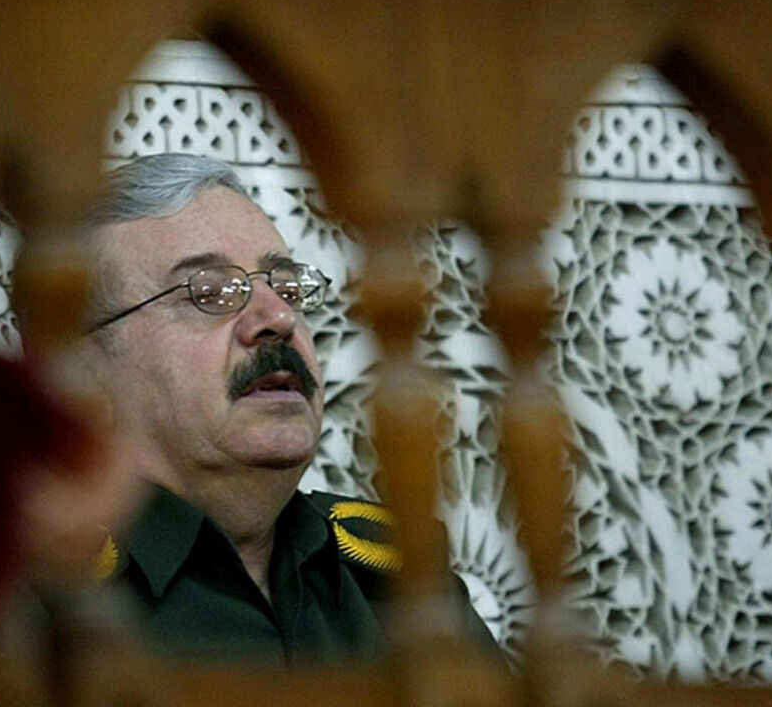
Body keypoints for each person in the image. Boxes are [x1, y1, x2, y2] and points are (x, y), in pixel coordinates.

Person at [80, 153, 497, 662]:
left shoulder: (406, 594)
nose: (277, 317)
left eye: (286, 287)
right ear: (87, 370)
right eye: (209, 292)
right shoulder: (47, 606)